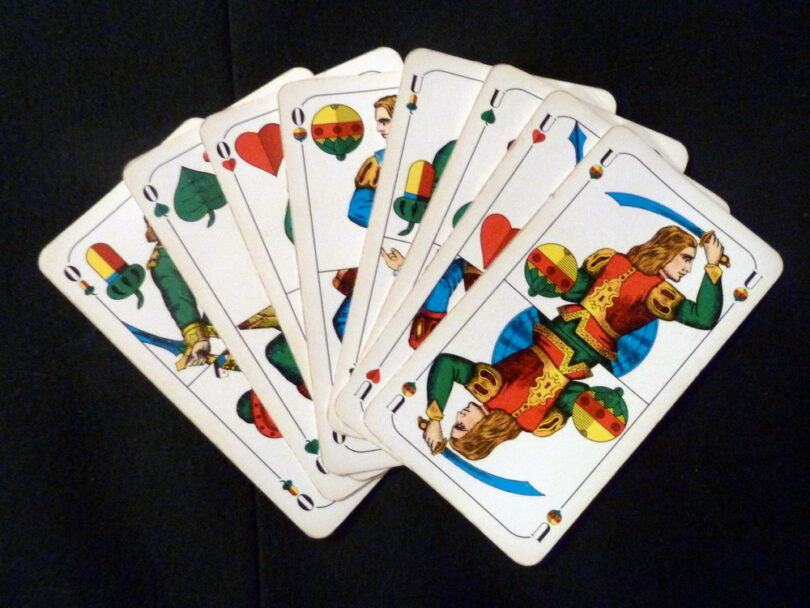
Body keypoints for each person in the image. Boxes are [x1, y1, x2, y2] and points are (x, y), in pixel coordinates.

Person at [421, 226, 725, 460]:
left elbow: (447, 363)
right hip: (573, 349)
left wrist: (435, 417)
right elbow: (703, 317)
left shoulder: (508, 402)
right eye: (686, 259)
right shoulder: (505, 400)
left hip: (561, 337)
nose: (459, 415)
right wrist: (712, 266)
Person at [332, 95, 396, 339]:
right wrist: (401, 224)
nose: (380, 129)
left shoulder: (437, 156)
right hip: (389, 251)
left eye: (385, 121)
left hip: (431, 254)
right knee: (345, 321)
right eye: (379, 122)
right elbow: (358, 209)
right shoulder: (378, 162)